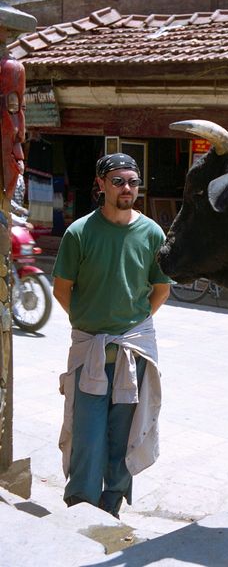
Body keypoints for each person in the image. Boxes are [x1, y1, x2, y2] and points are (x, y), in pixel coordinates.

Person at [52, 152, 172, 518]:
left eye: (133, 182)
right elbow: (62, 288)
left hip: (131, 351)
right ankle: (81, 503)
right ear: (101, 185)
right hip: (90, 350)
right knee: (87, 434)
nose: (127, 188)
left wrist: (129, 327)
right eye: (118, 181)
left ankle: (113, 502)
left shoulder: (152, 233)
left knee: (124, 434)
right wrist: (89, 322)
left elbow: (160, 288)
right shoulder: (79, 233)